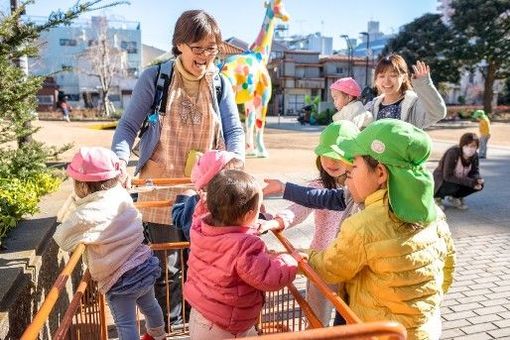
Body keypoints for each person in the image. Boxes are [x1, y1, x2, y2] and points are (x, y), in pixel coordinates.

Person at [111, 10, 245, 325]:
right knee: (165, 269)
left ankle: (197, 324)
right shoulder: (156, 78)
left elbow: (234, 131)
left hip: (203, 193)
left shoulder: (220, 84)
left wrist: (236, 157)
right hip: (161, 189)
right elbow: (129, 126)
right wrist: (118, 159)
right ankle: (171, 327)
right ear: (180, 45)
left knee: (202, 265)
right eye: (197, 48)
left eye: (211, 48)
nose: (205, 56)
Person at [306, 119, 456, 339]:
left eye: (353, 168)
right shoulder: (434, 214)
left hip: (378, 332)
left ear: (380, 173)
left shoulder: (364, 225)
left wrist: (304, 258)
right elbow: (447, 268)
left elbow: (330, 268)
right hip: (424, 329)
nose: (348, 179)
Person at [53, 147, 165, 340]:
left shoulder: (84, 215)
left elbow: (61, 238)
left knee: (126, 323)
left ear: (82, 187)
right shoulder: (120, 194)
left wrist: (76, 205)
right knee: (151, 305)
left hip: (118, 279)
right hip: (143, 265)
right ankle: (158, 334)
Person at [260, 120, 359, 326]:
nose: (330, 162)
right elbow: (298, 209)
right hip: (321, 264)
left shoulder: (359, 189)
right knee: (316, 316)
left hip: (351, 265)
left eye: (337, 156)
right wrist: (276, 221)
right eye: (325, 155)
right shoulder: (319, 186)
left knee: (349, 318)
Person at [184, 169, 298, 339]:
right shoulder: (245, 246)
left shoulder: (200, 227)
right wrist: (289, 260)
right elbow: (268, 277)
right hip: (226, 324)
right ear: (249, 215)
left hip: (201, 312)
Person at [172, 150, 244, 241]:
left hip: (201, 254)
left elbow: (180, 220)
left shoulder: (197, 203)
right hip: (235, 253)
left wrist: (183, 199)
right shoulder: (242, 202)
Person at [365, 53, 447, 129]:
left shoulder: (414, 104)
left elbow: (438, 113)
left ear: (404, 77)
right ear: (376, 80)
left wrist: (424, 84)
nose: (387, 81)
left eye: (393, 75)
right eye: (382, 76)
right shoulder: (371, 107)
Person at [433, 132, 484, 210]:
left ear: (477, 146)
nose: (470, 148)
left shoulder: (475, 156)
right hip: (442, 181)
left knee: (480, 185)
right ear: (462, 145)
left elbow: (475, 172)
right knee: (455, 185)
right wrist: (470, 182)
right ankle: (437, 198)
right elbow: (447, 176)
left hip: (459, 179)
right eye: (467, 145)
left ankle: (455, 197)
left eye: (473, 146)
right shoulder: (453, 153)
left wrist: (477, 179)